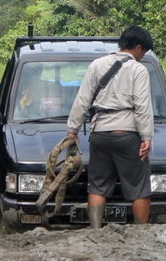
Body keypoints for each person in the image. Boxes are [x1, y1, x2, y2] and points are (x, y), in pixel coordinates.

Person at [66, 26, 155, 228]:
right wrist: (146, 136)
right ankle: (142, 232)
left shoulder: (97, 65)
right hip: (127, 135)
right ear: (138, 47)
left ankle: (96, 230)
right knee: (139, 188)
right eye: (144, 51)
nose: (143, 56)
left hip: (99, 135)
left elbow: (82, 100)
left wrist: (73, 130)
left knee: (97, 187)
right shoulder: (138, 69)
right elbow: (142, 106)